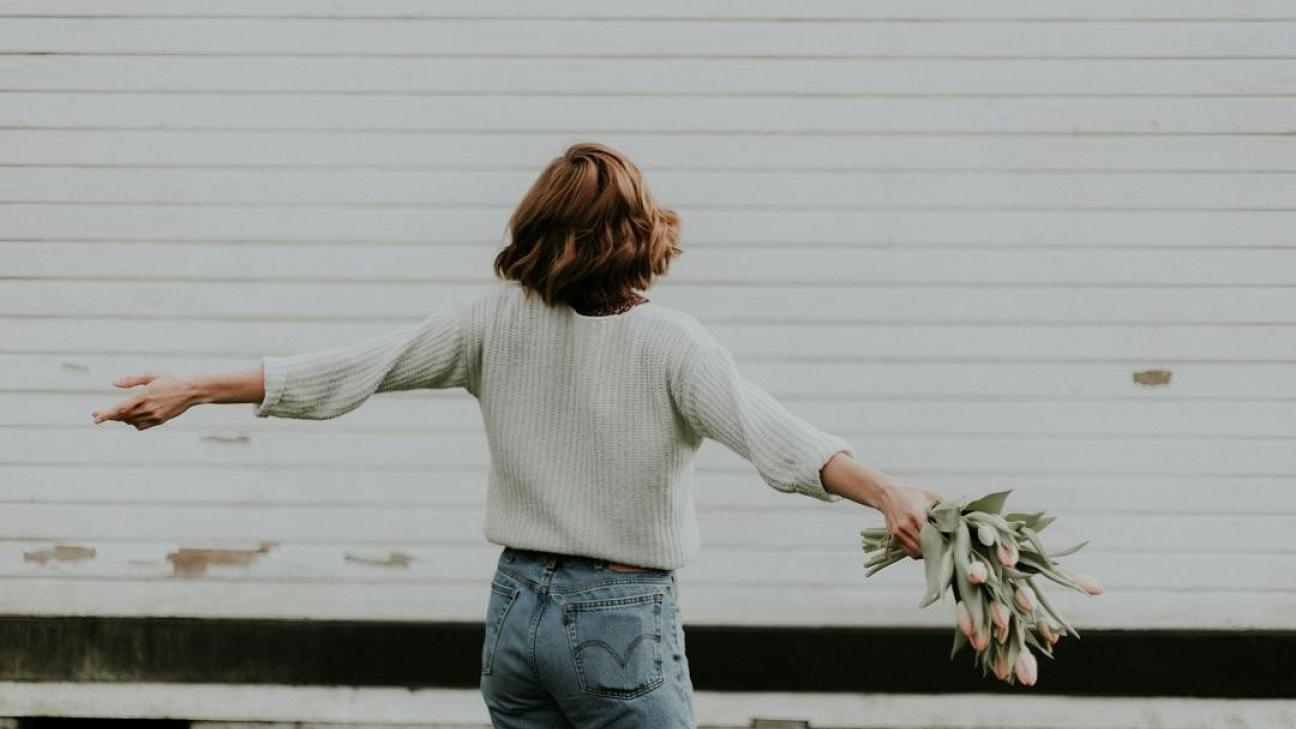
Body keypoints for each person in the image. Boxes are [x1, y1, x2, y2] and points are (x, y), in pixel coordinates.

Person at [91, 142, 943, 728]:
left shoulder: (496, 319)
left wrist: (198, 387)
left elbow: (355, 368)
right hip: (618, 617)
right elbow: (782, 441)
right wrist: (887, 490)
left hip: (515, 613)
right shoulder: (672, 344)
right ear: (640, 234)